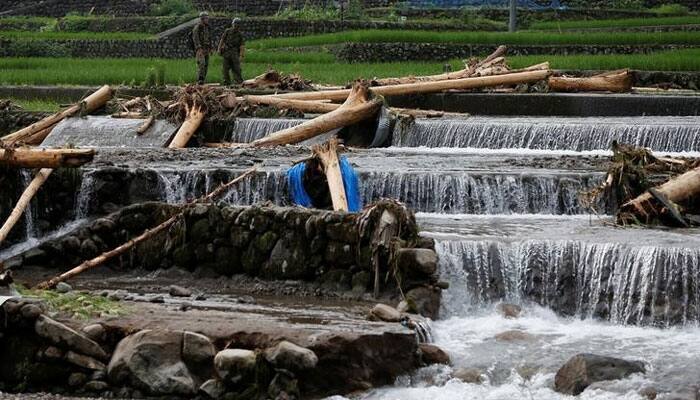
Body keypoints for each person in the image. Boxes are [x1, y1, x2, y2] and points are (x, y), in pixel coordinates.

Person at [218, 18, 245, 86]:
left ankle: (238, 82)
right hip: (226, 52)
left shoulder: (240, 34)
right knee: (225, 69)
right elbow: (222, 40)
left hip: (234, 53)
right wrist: (219, 49)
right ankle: (226, 83)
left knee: (237, 68)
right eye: (235, 24)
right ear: (232, 24)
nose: (236, 26)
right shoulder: (227, 31)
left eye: (237, 24)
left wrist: (241, 55)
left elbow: (242, 46)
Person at [192, 11, 212, 85]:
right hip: (200, 49)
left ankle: (203, 80)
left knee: (206, 64)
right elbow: (195, 38)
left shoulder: (208, 27)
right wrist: (199, 48)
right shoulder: (197, 28)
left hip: (206, 48)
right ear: (202, 19)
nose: (207, 20)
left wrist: (210, 48)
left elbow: (209, 38)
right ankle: (199, 80)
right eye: (206, 18)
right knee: (201, 64)